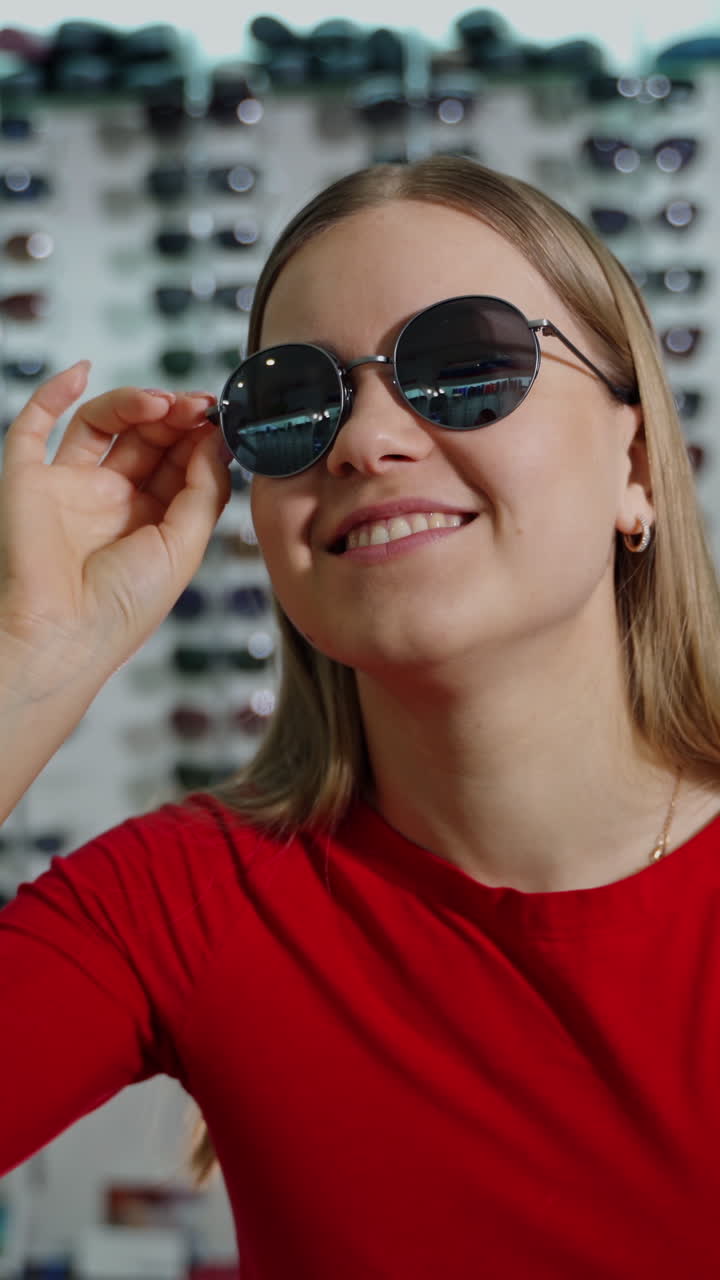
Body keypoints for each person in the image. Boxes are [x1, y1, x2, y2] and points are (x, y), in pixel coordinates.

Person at [2, 154, 720, 1277]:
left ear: (636, 461)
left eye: (470, 367)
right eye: (294, 401)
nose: (364, 439)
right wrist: (31, 663)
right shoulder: (181, 902)